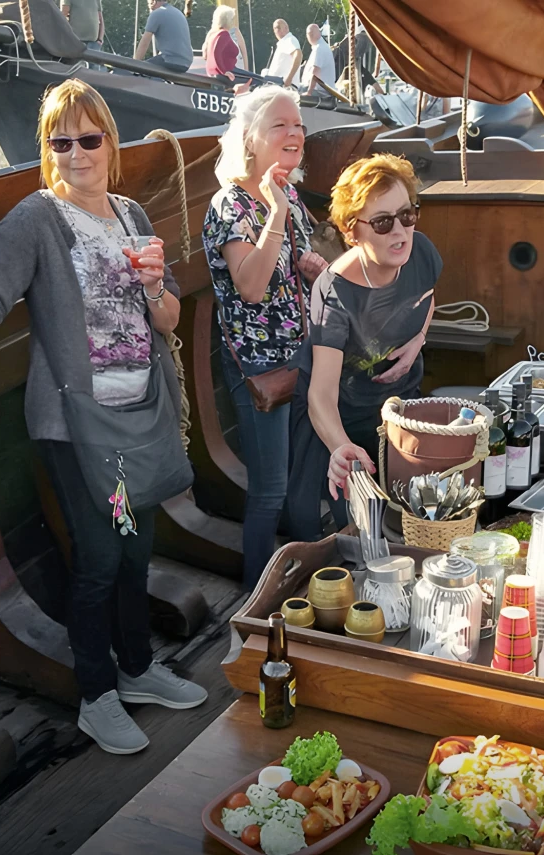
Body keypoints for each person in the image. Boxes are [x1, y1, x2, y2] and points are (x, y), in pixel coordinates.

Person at [0, 79, 206, 756]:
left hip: (137, 414)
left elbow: (168, 314)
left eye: (89, 138)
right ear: (46, 150)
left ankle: (137, 668)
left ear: (111, 143)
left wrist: (152, 286)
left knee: (136, 546)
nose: (76, 153)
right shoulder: (36, 219)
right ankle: (96, 694)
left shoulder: (132, 215)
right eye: (61, 141)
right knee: (103, 554)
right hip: (83, 429)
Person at [202, 86, 328, 589]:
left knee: (302, 483)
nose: (295, 132)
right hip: (258, 369)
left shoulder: (290, 194)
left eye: (298, 125)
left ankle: (308, 582)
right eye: (281, 125)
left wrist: (309, 264)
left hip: (300, 355)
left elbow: (287, 264)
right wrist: (274, 211)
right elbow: (251, 288)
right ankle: (257, 605)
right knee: (270, 491)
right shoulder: (230, 205)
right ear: (251, 140)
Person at [285, 153, 440, 539]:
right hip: (342, 417)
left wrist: (419, 339)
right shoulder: (336, 291)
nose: (400, 232)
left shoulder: (421, 251)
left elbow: (428, 296)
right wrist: (341, 448)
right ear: (353, 232)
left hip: (398, 406)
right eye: (383, 222)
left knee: (408, 518)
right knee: (348, 531)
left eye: (407, 214)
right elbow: (321, 395)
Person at [134, 0, 193, 74]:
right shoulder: (177, 13)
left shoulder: (157, 13)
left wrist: (134, 65)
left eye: (148, 3)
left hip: (170, 60)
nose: (149, 7)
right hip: (186, 62)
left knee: (142, 71)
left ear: (153, 2)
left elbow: (144, 43)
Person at [202, 5, 242, 80]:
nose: (233, 22)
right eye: (232, 19)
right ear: (227, 20)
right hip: (229, 72)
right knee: (259, 80)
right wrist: (224, 72)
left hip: (216, 73)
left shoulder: (212, 34)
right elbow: (216, 53)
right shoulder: (224, 34)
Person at [262, 19, 303, 87]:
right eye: (275, 28)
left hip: (285, 85)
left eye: (278, 27)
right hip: (278, 85)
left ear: (286, 28)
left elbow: (298, 55)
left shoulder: (289, 39)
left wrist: (289, 78)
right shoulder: (284, 42)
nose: (276, 30)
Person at [301, 23, 336, 94]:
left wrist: (309, 92)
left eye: (310, 34)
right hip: (322, 90)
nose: (309, 36)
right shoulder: (322, 47)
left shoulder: (319, 48)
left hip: (319, 92)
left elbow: (315, 72)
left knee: (291, 91)